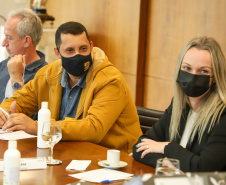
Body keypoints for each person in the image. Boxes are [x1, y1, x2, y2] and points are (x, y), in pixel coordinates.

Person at [0, 21, 142, 153]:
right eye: (70, 50)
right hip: (68, 152)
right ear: (57, 53)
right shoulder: (49, 73)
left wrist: (39, 127)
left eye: (83, 49)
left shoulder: (110, 80)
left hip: (113, 158)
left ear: (91, 47)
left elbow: (93, 128)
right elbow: (21, 100)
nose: (77, 55)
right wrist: (3, 113)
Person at [133, 36, 226, 172]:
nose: (193, 76)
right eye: (187, 68)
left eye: (203, 71)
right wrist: (167, 163)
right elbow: (139, 147)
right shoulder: (179, 106)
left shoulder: (222, 115)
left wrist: (166, 147)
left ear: (215, 78)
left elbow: (203, 168)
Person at [0, 8, 47, 103]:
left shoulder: (45, 76)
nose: (3, 43)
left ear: (26, 41)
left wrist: (16, 77)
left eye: (9, 38)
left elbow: (23, 115)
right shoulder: (3, 66)